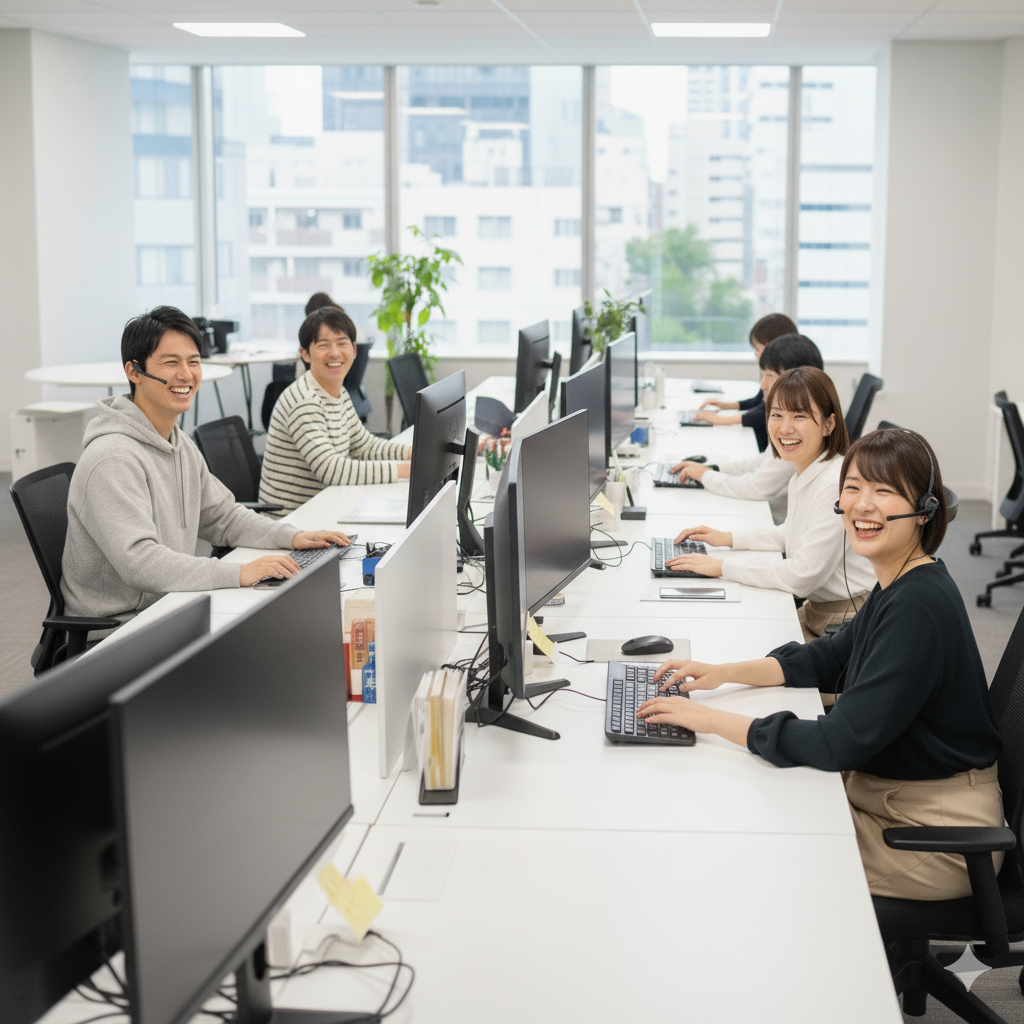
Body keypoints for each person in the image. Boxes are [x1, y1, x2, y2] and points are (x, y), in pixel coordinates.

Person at [639, 428, 1003, 901]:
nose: (862, 505)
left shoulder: (918, 607)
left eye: (884, 491)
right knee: (756, 800)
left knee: (763, 855)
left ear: (924, 512)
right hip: (892, 796)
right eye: (853, 488)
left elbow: (837, 744)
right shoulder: (904, 580)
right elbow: (827, 658)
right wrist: (724, 672)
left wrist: (708, 720)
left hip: (935, 835)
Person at [61, 306, 350, 625]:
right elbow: (141, 564)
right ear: (134, 372)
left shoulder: (177, 441)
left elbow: (223, 517)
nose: (186, 374)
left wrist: (292, 537)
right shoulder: (112, 458)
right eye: (171, 362)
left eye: (193, 362)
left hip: (170, 604)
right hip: (120, 629)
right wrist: (240, 572)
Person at [667, 366, 875, 640]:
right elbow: (791, 532)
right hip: (819, 610)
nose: (785, 428)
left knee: (742, 641)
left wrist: (722, 567)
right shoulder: (808, 469)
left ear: (829, 424)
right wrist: (727, 538)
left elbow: (802, 576)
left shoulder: (834, 484)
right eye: (777, 415)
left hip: (844, 620)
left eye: (799, 416)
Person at [259, 305, 412, 516]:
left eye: (342, 343)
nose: (334, 353)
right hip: (293, 522)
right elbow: (332, 470)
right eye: (323, 345)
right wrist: (406, 470)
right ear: (305, 354)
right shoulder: (304, 400)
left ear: (354, 350)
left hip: (325, 508)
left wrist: (412, 453)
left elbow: (363, 446)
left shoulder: (337, 392)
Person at [671, 333, 824, 524]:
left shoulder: (801, 431)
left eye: (769, 375)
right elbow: (764, 461)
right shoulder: (794, 421)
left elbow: (758, 487)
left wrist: (706, 476)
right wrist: (711, 469)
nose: (763, 385)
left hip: (772, 520)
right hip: (773, 523)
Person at [691, 313, 797, 450]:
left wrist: (722, 420)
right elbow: (759, 400)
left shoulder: (789, 374)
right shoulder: (773, 370)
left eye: (758, 348)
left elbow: (764, 412)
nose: (756, 353)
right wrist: (725, 405)